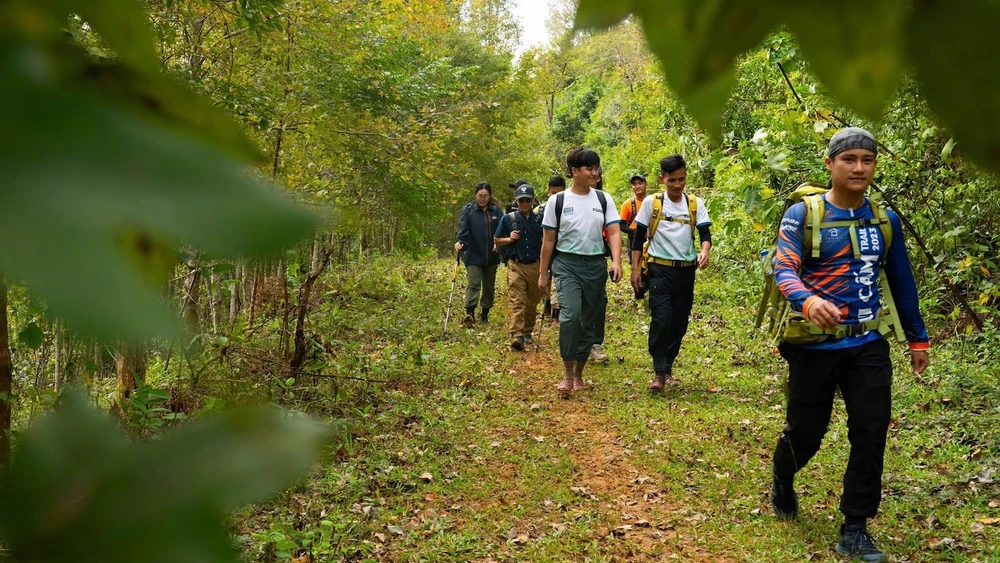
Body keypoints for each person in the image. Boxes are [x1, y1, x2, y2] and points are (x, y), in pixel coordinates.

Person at [767, 128, 930, 562]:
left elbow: (902, 281)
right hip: (812, 346)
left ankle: (855, 527)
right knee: (807, 433)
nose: (859, 168)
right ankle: (783, 477)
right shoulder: (802, 214)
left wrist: (918, 338)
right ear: (830, 164)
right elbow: (784, 268)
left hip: (867, 343)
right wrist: (808, 300)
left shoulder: (885, 220)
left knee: (871, 431)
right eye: (849, 159)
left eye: (867, 160)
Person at [539, 148, 623, 397]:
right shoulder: (558, 201)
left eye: (596, 168)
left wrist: (617, 261)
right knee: (571, 316)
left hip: (595, 265)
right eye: (589, 168)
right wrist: (543, 273)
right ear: (574, 171)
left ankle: (578, 373)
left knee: (589, 320)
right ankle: (567, 373)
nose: (595, 173)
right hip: (567, 264)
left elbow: (614, 231)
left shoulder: (604, 199)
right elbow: (548, 240)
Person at [629, 155, 711, 391]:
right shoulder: (652, 203)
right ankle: (658, 372)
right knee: (662, 317)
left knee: (679, 321)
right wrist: (635, 269)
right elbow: (638, 237)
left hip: (686, 271)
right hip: (659, 269)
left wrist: (704, 251)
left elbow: (705, 234)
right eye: (672, 180)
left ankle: (668, 367)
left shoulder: (695, 204)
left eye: (681, 179)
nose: (677, 185)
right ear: (661, 179)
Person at [495, 184, 544, 350]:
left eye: (527, 200)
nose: (524, 203)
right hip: (516, 265)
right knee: (518, 301)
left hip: (535, 265)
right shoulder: (508, 219)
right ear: (516, 201)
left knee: (532, 301)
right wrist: (509, 239)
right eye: (521, 200)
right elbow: (497, 239)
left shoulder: (540, 219)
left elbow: (547, 240)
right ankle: (517, 335)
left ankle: (528, 330)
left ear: (533, 200)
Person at [455, 182, 503, 327]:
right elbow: (463, 229)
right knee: (474, 283)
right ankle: (470, 312)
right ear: (475, 195)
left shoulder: (496, 211)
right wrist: (460, 243)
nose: (482, 199)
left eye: (485, 196)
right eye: (480, 196)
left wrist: (499, 242)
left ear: (490, 196)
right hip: (473, 254)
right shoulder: (469, 210)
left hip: (492, 255)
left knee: (488, 286)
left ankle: (485, 312)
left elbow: (502, 229)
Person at [539, 176, 566, 325]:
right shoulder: (541, 209)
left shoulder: (567, 206)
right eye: (553, 193)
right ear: (548, 191)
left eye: (559, 193)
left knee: (557, 281)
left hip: (562, 251)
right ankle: (547, 305)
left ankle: (556, 314)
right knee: (546, 280)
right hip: (546, 249)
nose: (555, 196)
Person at [619, 173, 649, 253]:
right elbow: (621, 225)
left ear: (646, 185)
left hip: (652, 239)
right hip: (634, 239)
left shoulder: (653, 202)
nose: (637, 186)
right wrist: (635, 232)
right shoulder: (628, 204)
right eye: (634, 184)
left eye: (640, 183)